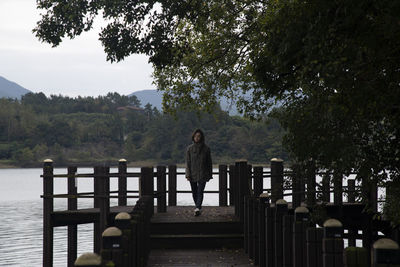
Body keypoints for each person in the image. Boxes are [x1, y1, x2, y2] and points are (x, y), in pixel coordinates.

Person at [185, 129, 213, 216]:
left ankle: (197, 207)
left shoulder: (206, 149)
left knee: (200, 191)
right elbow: (188, 163)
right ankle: (198, 207)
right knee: (194, 192)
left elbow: (209, 163)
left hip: (203, 174)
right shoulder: (189, 149)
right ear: (193, 137)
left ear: (202, 137)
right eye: (196, 136)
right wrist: (187, 174)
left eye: (199, 136)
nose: (197, 138)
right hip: (192, 174)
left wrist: (210, 174)